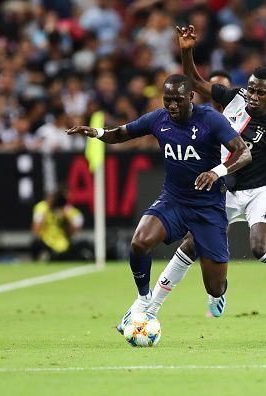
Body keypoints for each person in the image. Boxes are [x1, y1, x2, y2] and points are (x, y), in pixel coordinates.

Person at [144, 26, 266, 320]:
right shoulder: (234, 98)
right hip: (226, 188)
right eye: (251, 89)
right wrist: (186, 50)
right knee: (191, 244)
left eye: (260, 92)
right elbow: (193, 81)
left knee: (260, 247)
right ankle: (150, 309)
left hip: (260, 190)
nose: (253, 96)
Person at [66, 74, 251, 332]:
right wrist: (97, 133)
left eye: (177, 100)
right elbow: (122, 133)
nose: (172, 105)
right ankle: (143, 300)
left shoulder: (211, 120)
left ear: (190, 97)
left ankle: (218, 294)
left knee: (215, 286)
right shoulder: (158, 118)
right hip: (173, 200)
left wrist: (217, 171)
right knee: (140, 242)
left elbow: (244, 152)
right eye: (167, 100)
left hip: (208, 207)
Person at [31, 186, 92, 261]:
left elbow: (71, 234)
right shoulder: (42, 207)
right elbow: (36, 231)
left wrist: (65, 219)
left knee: (84, 244)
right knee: (35, 243)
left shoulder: (70, 212)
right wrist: (47, 212)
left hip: (63, 244)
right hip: (47, 243)